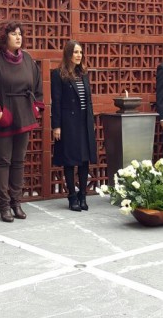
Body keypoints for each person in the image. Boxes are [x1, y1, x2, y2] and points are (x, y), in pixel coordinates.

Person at [0, 22, 44, 222]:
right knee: (3, 161)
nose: (18, 37)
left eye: (20, 34)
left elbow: (38, 84)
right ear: (4, 37)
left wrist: (36, 106)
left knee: (18, 161)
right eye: (13, 34)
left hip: (23, 113)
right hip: (3, 116)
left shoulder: (28, 58)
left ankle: (16, 202)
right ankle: (3, 205)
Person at [51, 41, 97, 211]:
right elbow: (56, 101)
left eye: (81, 52)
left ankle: (83, 196)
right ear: (68, 53)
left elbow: (89, 101)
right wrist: (56, 126)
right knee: (70, 161)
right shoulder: (58, 74)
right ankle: (72, 197)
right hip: (68, 124)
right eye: (76, 52)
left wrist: (91, 122)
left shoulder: (84, 73)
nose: (79, 55)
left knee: (84, 161)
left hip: (84, 122)